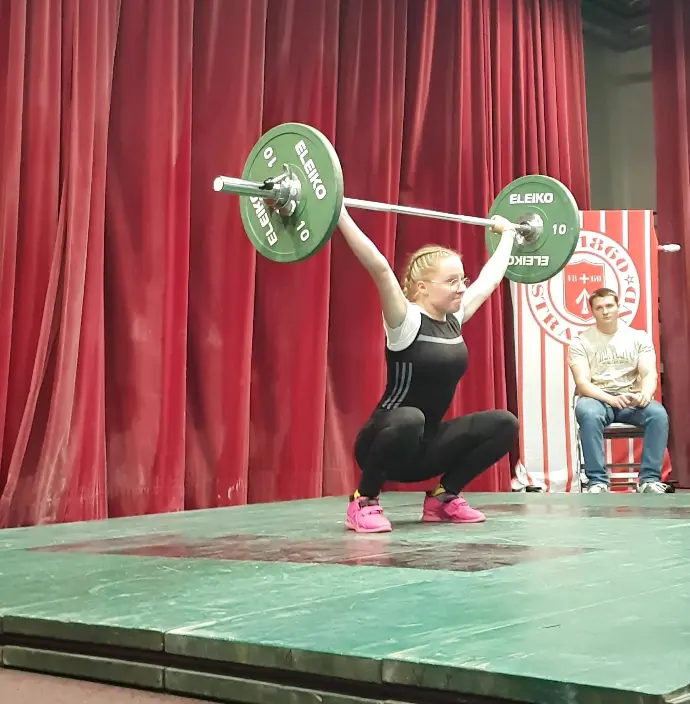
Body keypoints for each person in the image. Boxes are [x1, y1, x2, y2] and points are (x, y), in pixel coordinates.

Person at [337, 205, 520, 533]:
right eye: (451, 281)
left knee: (504, 424)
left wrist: (508, 235)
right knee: (411, 417)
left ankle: (443, 498)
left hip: (424, 447)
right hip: (383, 440)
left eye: (462, 280)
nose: (461, 287)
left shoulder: (453, 319)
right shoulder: (404, 320)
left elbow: (490, 279)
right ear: (422, 287)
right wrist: (338, 212)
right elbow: (380, 267)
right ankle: (363, 501)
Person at [568, 287, 669, 494]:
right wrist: (610, 399)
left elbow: (649, 374)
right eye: (599, 308)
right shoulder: (580, 342)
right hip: (598, 398)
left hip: (630, 398)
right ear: (592, 312)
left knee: (658, 415)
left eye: (609, 306)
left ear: (618, 307)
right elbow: (583, 383)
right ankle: (598, 482)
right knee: (588, 413)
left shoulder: (638, 337)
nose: (605, 311)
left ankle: (648, 480)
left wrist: (644, 394)